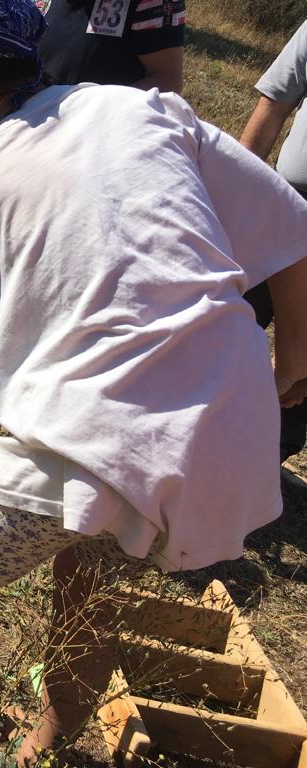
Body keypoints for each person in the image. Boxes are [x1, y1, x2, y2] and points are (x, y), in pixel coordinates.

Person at [0, 2, 307, 767]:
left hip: (103, 436)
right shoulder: (137, 108)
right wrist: (294, 357)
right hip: (225, 429)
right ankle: (50, 742)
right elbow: (290, 222)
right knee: (86, 574)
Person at [239, 19, 307, 464]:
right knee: (229, 313)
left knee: (300, 374)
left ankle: (258, 465)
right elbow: (274, 105)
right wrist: (236, 193)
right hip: (284, 208)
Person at [36, 0, 185, 92]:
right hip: (35, 126)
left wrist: (94, 116)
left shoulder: (153, 2)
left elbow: (167, 79)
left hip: (99, 134)